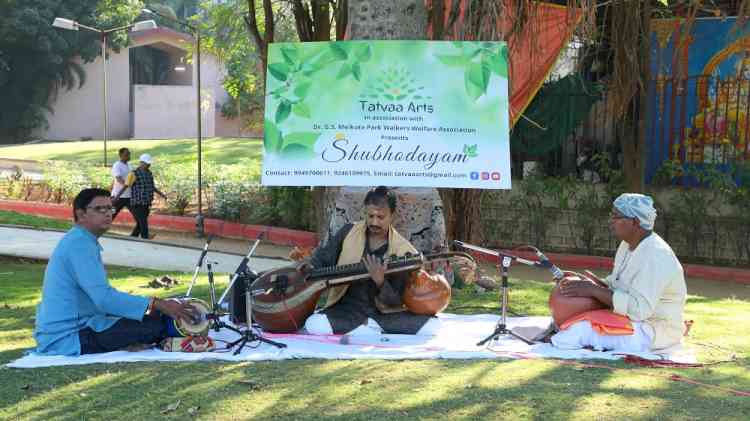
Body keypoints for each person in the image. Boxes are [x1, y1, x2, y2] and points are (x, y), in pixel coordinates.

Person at [33, 188, 196, 356]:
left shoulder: (80, 240)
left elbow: (101, 299)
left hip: (78, 327)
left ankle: (125, 341)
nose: (108, 213)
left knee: (148, 319)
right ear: (81, 214)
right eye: (99, 209)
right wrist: (156, 304)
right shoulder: (79, 245)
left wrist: (149, 307)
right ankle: (123, 342)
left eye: (109, 208)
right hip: (69, 337)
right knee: (154, 326)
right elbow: (104, 299)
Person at [551, 193, 687, 353]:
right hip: (632, 320)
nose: (611, 221)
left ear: (635, 222)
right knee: (569, 325)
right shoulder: (627, 245)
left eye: (616, 216)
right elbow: (617, 284)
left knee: (575, 333)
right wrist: (589, 283)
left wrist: (593, 290)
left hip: (652, 330)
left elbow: (639, 311)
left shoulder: (656, 255)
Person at [302, 186, 441, 336]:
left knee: (433, 326)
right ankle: (368, 329)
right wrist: (309, 266)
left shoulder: (403, 251)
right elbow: (323, 257)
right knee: (314, 324)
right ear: (365, 213)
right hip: (348, 309)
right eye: (370, 216)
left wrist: (381, 282)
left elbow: (397, 302)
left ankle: (368, 328)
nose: (374, 222)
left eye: (380, 217)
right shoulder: (349, 232)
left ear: (392, 216)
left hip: (384, 314)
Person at [114, 153, 166, 240]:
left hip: (147, 202)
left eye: (149, 163)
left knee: (140, 223)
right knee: (143, 222)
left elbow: (151, 186)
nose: (148, 165)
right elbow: (126, 186)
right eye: (147, 163)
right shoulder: (133, 174)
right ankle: (145, 239)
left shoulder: (149, 173)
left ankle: (133, 238)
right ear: (141, 162)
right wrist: (117, 197)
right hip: (137, 202)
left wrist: (161, 194)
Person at [110, 147, 132, 220]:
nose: (129, 155)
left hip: (129, 197)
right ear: (121, 155)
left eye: (129, 154)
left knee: (139, 217)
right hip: (118, 197)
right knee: (110, 216)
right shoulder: (117, 165)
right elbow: (119, 179)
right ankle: (94, 230)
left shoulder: (129, 165)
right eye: (126, 154)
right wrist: (129, 184)